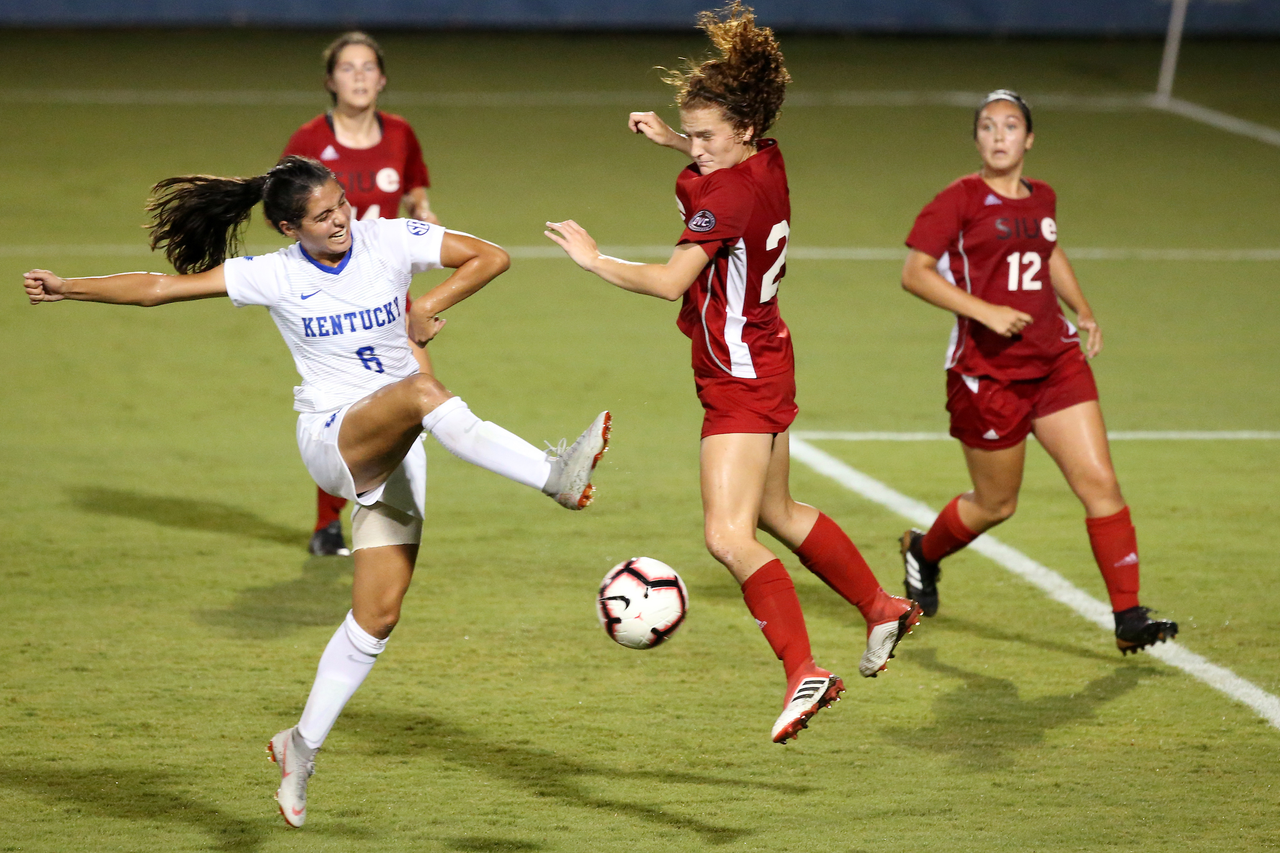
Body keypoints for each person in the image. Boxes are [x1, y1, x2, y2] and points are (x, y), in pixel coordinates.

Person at [23, 155, 611, 827]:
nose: (341, 220)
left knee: (377, 618)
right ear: (286, 226)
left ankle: (299, 747)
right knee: (422, 389)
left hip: (397, 448)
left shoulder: (388, 238)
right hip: (334, 440)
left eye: (342, 204)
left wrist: (426, 308)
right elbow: (159, 290)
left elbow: (490, 257)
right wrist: (68, 287)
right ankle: (553, 474)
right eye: (323, 215)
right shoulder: (273, 273)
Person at [545, 2, 920, 745]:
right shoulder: (765, 162)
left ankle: (803, 669)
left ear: (744, 129)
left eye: (708, 136)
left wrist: (593, 258)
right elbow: (725, 184)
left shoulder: (727, 193)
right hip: (769, 350)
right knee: (778, 511)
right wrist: (674, 141)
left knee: (727, 534)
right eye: (693, 134)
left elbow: (666, 279)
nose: (698, 148)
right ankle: (883, 606)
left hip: (740, 376)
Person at [898, 89, 1177, 655]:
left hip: (1055, 363)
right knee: (997, 504)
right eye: (987, 126)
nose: (998, 135)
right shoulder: (957, 199)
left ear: (1028, 139)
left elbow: (1047, 251)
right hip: (988, 374)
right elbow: (915, 273)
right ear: (977, 139)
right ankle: (922, 552)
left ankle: (1129, 616)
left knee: (1101, 484)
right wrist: (985, 311)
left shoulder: (1042, 197)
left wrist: (1084, 309)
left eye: (1010, 126)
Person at [282, 30, 439, 556]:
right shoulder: (308, 141)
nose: (359, 77)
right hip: (330, 297)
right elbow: (283, 208)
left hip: (389, 296)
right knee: (346, 409)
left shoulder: (400, 133)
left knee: (411, 401)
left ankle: (390, 525)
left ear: (383, 78)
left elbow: (416, 186)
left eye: (368, 68)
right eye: (348, 68)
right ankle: (329, 523)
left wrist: (422, 211)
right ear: (331, 80)